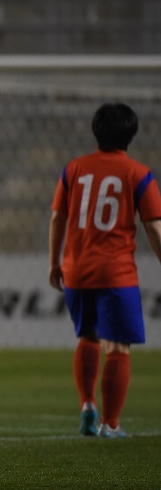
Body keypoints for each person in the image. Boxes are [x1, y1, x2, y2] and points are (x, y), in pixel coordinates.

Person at [49, 103, 161, 438]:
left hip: (77, 269)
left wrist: (54, 262)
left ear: (96, 131)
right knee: (118, 347)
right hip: (115, 271)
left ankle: (87, 404)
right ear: (131, 134)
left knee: (88, 336)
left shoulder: (74, 169)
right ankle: (110, 424)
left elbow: (58, 217)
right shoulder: (138, 174)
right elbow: (154, 226)